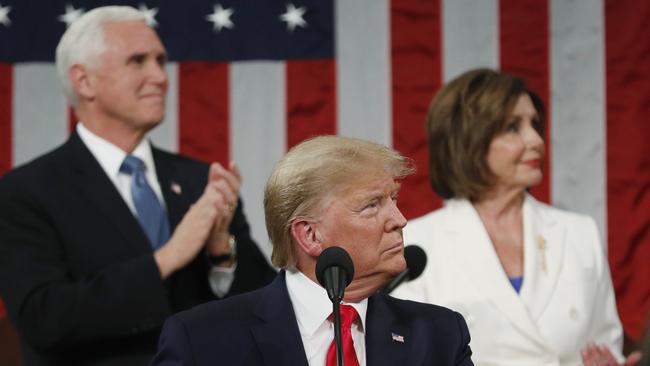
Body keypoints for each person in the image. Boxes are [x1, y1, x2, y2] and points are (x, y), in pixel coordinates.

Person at [0, 6, 275, 366]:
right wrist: (166, 258)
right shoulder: (25, 191)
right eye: (138, 61)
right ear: (84, 81)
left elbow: (266, 307)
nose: (160, 76)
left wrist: (221, 254)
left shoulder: (199, 181)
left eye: (160, 60)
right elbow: (44, 319)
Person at [150, 135, 474, 365]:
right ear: (310, 235)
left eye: (394, 200)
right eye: (372, 206)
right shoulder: (202, 339)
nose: (400, 220)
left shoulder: (440, 336)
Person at [392, 68, 631, 365]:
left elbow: (608, 343)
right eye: (513, 127)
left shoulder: (579, 234)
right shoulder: (417, 245)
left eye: (535, 124)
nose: (536, 140)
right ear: (469, 141)